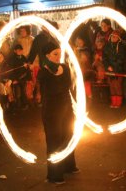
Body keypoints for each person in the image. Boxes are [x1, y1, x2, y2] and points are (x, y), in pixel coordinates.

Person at [38, 41, 79, 184]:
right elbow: (49, 91)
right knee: (54, 141)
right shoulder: (43, 72)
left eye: (60, 54)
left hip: (66, 108)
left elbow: (68, 86)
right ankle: (55, 175)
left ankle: (69, 166)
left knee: (68, 136)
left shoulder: (65, 68)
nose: (58, 57)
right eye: (55, 54)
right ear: (47, 55)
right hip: (52, 111)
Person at [102, 29, 126, 108]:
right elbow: (104, 58)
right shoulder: (107, 46)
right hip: (109, 70)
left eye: (116, 37)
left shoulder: (121, 47)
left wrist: (114, 67)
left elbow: (122, 58)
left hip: (118, 70)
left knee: (117, 86)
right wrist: (108, 66)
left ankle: (118, 102)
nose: (114, 38)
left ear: (119, 38)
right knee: (112, 86)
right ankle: (113, 102)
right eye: (112, 36)